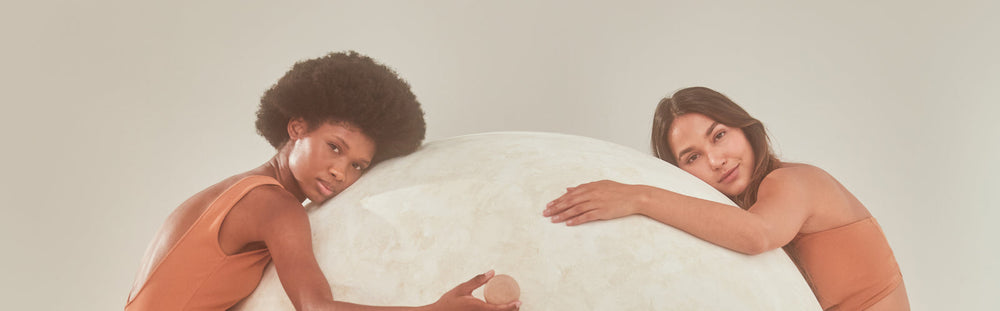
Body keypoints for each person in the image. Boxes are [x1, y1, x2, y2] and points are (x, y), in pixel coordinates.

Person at [126, 51, 520, 311]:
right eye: (335, 147)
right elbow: (315, 308)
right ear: (297, 127)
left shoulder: (232, 190)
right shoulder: (274, 206)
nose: (341, 172)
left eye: (358, 166)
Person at [543, 86, 909, 310]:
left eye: (718, 136)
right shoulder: (729, 217)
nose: (716, 161)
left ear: (745, 128)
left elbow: (757, 234)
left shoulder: (792, 182)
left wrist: (639, 197)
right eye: (692, 157)